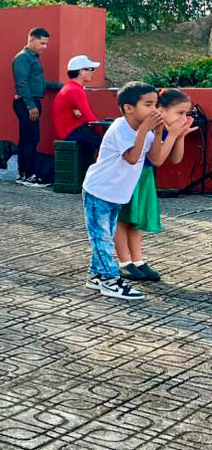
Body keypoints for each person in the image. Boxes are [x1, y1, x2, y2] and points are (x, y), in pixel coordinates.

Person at [81, 82, 192, 300]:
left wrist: (159, 132)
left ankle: (95, 276)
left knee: (104, 236)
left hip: (116, 195)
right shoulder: (120, 128)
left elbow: (157, 159)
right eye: (148, 105)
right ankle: (110, 281)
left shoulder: (148, 132)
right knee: (102, 239)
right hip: (99, 192)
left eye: (155, 105)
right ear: (128, 108)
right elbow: (132, 157)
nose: (154, 110)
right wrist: (144, 130)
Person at [115, 89, 195, 283]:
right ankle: (124, 262)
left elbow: (175, 159)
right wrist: (172, 135)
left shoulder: (166, 129)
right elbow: (156, 159)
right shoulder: (148, 128)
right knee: (122, 219)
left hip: (144, 177)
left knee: (135, 220)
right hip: (126, 176)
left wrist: (180, 136)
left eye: (186, 113)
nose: (184, 118)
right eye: (179, 112)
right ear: (160, 110)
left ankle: (138, 261)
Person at [12, 28, 59, 187]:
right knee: (30, 139)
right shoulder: (23, 58)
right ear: (32, 40)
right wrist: (31, 106)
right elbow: (22, 83)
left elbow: (37, 83)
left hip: (30, 101)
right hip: (27, 103)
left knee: (29, 138)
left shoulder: (32, 58)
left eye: (46, 44)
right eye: (42, 43)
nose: (44, 47)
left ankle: (25, 174)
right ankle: (27, 175)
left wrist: (61, 86)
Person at [52, 55, 101, 155]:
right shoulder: (75, 90)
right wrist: (102, 130)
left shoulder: (71, 87)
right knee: (105, 142)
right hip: (71, 132)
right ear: (81, 72)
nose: (92, 72)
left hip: (71, 130)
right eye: (91, 69)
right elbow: (89, 117)